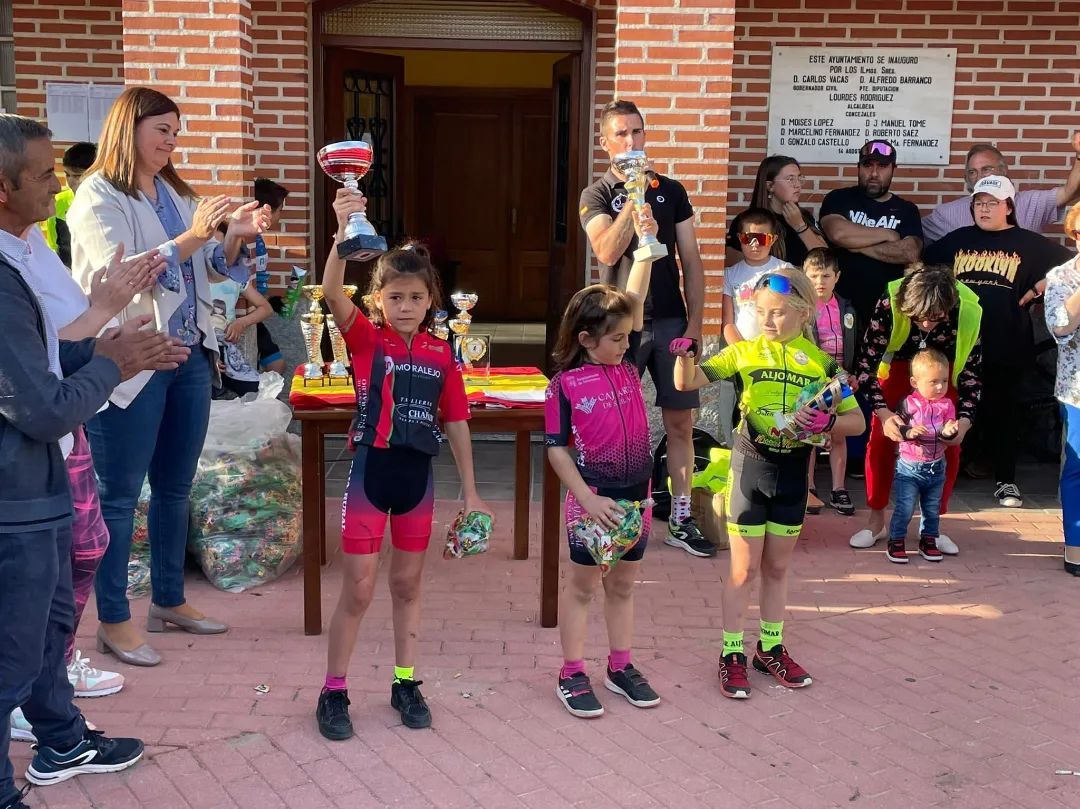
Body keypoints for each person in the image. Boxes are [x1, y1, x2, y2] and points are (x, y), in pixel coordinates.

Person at [0, 113, 187, 809]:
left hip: (39, 484)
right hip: (16, 491)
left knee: (43, 630)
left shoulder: (24, 249)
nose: (58, 184)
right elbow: (41, 405)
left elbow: (50, 355)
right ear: (2, 187)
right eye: (45, 174)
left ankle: (59, 736)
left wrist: (114, 345)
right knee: (11, 652)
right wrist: (111, 361)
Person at [65, 87, 271, 667]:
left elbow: (208, 267)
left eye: (177, 132)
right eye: (162, 130)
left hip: (186, 354)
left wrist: (234, 237)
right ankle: (112, 619)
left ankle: (169, 601)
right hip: (130, 359)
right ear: (128, 129)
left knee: (176, 487)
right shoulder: (96, 197)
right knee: (119, 496)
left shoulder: (174, 191)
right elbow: (129, 273)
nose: (172, 141)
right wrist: (200, 234)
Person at [315, 189, 491, 740]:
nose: (407, 306)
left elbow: (458, 423)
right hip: (372, 475)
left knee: (409, 585)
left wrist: (473, 491)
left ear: (430, 299)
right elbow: (327, 290)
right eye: (395, 296)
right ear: (378, 300)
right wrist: (343, 234)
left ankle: (405, 681)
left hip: (419, 480)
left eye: (415, 296)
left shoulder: (444, 354)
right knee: (360, 589)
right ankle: (334, 690)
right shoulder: (367, 340)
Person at [673, 268, 865, 699]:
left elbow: (858, 421)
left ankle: (771, 648)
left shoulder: (822, 363)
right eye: (761, 313)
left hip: (794, 475)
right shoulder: (743, 353)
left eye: (777, 313)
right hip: (751, 470)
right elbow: (687, 382)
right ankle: (731, 653)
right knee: (742, 570)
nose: (768, 321)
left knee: (777, 569)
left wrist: (830, 421)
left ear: (803, 313)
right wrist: (685, 354)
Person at [579, 99, 713, 559]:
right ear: (605, 142)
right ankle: (616, 516)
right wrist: (631, 202)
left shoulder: (672, 190)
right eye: (621, 134)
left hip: (673, 320)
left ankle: (679, 517)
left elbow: (691, 261)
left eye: (636, 132)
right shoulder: (595, 194)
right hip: (619, 326)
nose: (630, 141)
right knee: (614, 425)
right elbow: (607, 252)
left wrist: (696, 324)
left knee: (681, 423)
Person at [546, 206, 662, 719]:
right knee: (584, 587)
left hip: (638, 498)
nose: (626, 342)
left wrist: (646, 245)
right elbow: (556, 449)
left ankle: (620, 666)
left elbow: (632, 302)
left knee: (624, 584)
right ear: (586, 339)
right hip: (592, 502)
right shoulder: (565, 385)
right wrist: (586, 499)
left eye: (626, 336)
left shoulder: (628, 365)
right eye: (615, 337)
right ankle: (572, 672)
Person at [924, 176, 1073, 507]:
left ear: (1009, 206)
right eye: (978, 203)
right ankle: (940, 472)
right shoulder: (957, 240)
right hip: (957, 344)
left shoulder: (1029, 243)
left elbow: (1071, 266)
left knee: (1004, 412)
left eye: (992, 203)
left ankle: (1006, 480)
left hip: (1006, 341)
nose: (984, 209)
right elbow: (923, 264)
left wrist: (1038, 289)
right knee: (949, 407)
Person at [848, 264, 983, 556]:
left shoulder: (969, 310)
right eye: (917, 317)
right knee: (882, 439)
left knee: (949, 445)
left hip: (944, 370)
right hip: (897, 366)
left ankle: (933, 529)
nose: (924, 325)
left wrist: (964, 421)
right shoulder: (891, 299)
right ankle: (876, 522)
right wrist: (884, 414)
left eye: (934, 318)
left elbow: (972, 374)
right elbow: (865, 366)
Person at [922, 134, 1080, 245]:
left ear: (1004, 171)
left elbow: (1069, 192)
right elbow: (915, 238)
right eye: (972, 172)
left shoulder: (1030, 203)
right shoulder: (948, 213)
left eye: (986, 169)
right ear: (966, 179)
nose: (980, 177)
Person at [884, 348, 962, 564]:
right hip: (909, 466)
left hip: (936, 466)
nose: (940, 387)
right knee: (905, 507)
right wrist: (909, 432)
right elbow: (899, 427)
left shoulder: (946, 405)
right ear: (915, 382)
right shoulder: (909, 403)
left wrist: (949, 431)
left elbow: (950, 426)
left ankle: (928, 540)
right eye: (934, 381)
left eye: (944, 381)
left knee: (931, 508)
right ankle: (896, 540)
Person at [804, 248, 857, 516]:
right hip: (814, 381)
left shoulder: (846, 307)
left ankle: (838, 488)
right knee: (812, 435)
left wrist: (850, 372)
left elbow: (851, 343)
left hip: (841, 378)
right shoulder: (803, 310)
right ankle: (809, 487)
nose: (820, 282)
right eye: (813, 276)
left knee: (839, 433)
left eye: (825, 275)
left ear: (837, 277)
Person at [1043, 202, 1080, 576]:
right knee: (1078, 468)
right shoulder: (1062, 277)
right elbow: (1061, 325)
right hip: (1078, 389)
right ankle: (1075, 545)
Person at [726, 155, 827, 268]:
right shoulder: (748, 221)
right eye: (790, 179)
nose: (797, 185)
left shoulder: (805, 216)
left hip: (802, 284)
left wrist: (801, 226)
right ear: (770, 186)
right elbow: (735, 267)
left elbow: (826, 260)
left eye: (799, 178)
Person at [722, 207, 793, 346]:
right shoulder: (729, 274)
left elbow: (792, 314)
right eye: (748, 238)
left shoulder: (785, 270)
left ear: (773, 240)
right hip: (743, 351)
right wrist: (743, 351)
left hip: (778, 348)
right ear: (739, 238)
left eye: (761, 238)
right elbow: (728, 322)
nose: (754, 244)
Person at [209, 276, 273, 398]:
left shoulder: (236, 277)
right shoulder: (193, 276)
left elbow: (266, 308)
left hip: (226, 351)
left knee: (264, 395)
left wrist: (241, 323)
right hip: (200, 350)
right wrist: (208, 355)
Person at [252, 177, 287, 374]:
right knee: (276, 365)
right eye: (280, 210)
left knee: (276, 365)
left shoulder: (257, 240)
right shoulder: (249, 240)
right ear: (268, 209)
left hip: (258, 313)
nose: (280, 216)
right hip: (248, 315)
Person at [41, 141, 96, 268]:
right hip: (68, 270)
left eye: (78, 176)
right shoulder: (58, 201)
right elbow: (53, 244)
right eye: (67, 174)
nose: (71, 181)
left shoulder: (109, 201)